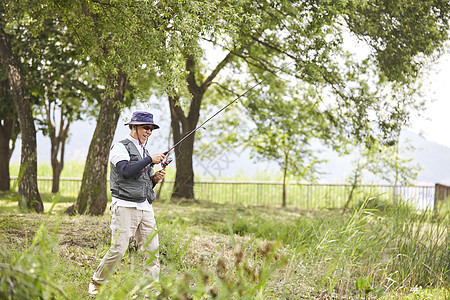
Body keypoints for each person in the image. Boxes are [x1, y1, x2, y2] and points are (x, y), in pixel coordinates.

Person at [88, 111, 166, 296]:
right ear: (134, 127)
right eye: (146, 128)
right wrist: (149, 160)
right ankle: (96, 283)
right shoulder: (120, 147)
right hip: (124, 206)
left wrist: (154, 179)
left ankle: (151, 292)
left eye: (151, 128)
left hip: (145, 208)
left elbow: (143, 182)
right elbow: (125, 171)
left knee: (152, 251)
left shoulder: (145, 151)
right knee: (118, 249)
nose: (149, 131)